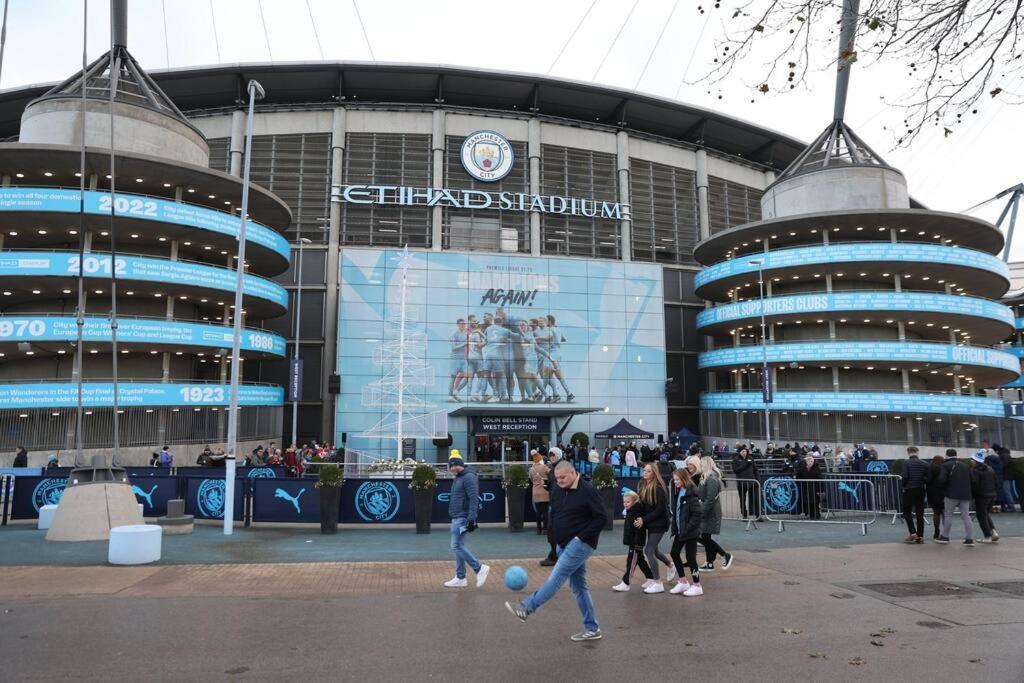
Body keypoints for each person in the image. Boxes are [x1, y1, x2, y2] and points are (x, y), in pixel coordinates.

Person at [506, 460, 608, 642]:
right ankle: (592, 628)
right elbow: (556, 512)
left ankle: (526, 607)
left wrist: (581, 537)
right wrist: (554, 539)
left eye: (562, 477)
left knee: (556, 577)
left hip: (580, 544)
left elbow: (601, 518)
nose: (559, 481)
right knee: (579, 588)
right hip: (562, 544)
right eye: (557, 478)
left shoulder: (588, 491)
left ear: (573, 473)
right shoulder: (558, 489)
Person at [443, 450, 490, 588]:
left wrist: (471, 518)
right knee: (459, 546)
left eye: (455, 466)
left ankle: (479, 568)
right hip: (457, 516)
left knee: (456, 546)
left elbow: (474, 498)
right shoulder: (459, 477)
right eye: (450, 466)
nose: (452, 468)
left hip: (462, 517)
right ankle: (460, 577)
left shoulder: (468, 477)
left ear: (460, 464)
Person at [634, 463, 673, 593]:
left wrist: (643, 519)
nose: (645, 473)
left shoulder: (658, 488)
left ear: (654, 473)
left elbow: (659, 510)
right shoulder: (643, 485)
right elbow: (644, 507)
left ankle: (658, 582)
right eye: (644, 470)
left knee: (649, 551)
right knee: (654, 551)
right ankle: (670, 565)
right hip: (651, 524)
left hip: (659, 524)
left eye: (648, 471)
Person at [668, 467, 704, 596]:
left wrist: (688, 528)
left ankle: (697, 585)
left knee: (690, 558)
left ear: (683, 478)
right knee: (674, 553)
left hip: (690, 532)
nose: (675, 482)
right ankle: (683, 581)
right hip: (680, 531)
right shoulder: (680, 491)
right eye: (674, 479)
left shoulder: (691, 494)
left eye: (677, 479)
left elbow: (697, 514)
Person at [696, 456, 733, 571]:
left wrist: (702, 511)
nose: (699, 466)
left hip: (710, 511)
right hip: (708, 510)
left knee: (705, 537)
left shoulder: (711, 478)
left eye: (701, 464)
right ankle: (710, 562)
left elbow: (711, 498)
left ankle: (724, 555)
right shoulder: (707, 477)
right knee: (705, 536)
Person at [612, 490, 653, 591]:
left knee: (631, 562)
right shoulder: (631, 511)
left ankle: (626, 583)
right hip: (633, 541)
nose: (625, 504)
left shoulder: (636, 512)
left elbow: (639, 529)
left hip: (636, 543)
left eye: (628, 502)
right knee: (640, 560)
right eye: (624, 502)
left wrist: (637, 544)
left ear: (634, 502)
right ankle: (651, 578)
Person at [936, 449, 974, 547]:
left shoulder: (945, 465)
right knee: (966, 516)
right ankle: (969, 539)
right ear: (956, 455)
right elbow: (973, 479)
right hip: (965, 494)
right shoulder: (965, 465)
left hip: (951, 494)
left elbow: (941, 479)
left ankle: (945, 537)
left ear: (946, 455)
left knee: (948, 515)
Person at [539, 448, 563, 567]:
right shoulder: (553, 468)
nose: (551, 457)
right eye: (550, 455)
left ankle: (555, 556)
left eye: (553, 455)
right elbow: (553, 485)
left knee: (553, 531)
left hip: (560, 504)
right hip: (554, 503)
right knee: (551, 530)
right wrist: (546, 485)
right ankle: (554, 555)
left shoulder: (561, 467)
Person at [971, 451, 1000, 543]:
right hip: (992, 495)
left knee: (981, 517)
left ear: (976, 461)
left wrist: (973, 494)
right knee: (986, 514)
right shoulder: (990, 469)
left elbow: (974, 484)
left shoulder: (975, 470)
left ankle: (987, 536)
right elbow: (996, 482)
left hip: (981, 496)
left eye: (972, 459)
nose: (971, 461)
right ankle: (993, 532)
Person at [901, 446, 927, 544]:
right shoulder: (924, 463)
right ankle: (920, 536)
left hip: (909, 489)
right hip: (920, 489)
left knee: (907, 511)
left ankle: (913, 533)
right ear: (917, 452)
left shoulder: (906, 463)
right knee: (920, 513)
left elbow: (905, 476)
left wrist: (903, 486)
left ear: (908, 452)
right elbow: (927, 476)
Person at [731, 447, 761, 520]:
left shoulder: (750, 458)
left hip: (752, 482)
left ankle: (758, 515)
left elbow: (755, 469)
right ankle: (744, 514)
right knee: (742, 499)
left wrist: (757, 479)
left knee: (756, 499)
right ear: (740, 452)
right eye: (743, 451)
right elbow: (736, 470)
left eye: (746, 451)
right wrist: (745, 464)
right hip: (741, 483)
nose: (745, 452)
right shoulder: (735, 460)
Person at [925, 454, 946, 540]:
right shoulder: (944, 468)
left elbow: (928, 480)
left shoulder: (930, 468)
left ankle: (936, 531)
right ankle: (945, 532)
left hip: (933, 493)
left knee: (936, 513)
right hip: (944, 492)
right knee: (945, 513)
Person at [794, 454, 822, 520]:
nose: (810, 462)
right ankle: (811, 514)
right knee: (808, 501)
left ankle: (817, 515)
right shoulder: (802, 469)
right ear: (806, 462)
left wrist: (821, 490)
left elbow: (820, 479)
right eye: (809, 461)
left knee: (815, 502)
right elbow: (798, 478)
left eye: (812, 461)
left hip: (815, 488)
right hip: (805, 488)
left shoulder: (817, 469)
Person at [529, 451, 550, 536]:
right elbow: (551, 475)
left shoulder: (531, 469)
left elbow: (531, 479)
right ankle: (545, 529)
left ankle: (538, 529)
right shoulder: (544, 467)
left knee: (538, 511)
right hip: (545, 491)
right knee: (545, 511)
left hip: (535, 491)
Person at [997, 446, 1016, 512]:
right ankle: (1010, 505)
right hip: (1008, 476)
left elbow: (1003, 465)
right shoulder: (1008, 455)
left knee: (1006, 491)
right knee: (1007, 491)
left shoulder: (1004, 456)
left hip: (1005, 476)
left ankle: (1011, 506)